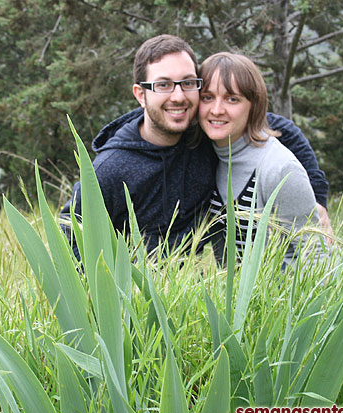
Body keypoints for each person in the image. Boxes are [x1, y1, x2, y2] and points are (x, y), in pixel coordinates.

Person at [61, 34, 329, 256]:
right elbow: (70, 231)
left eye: (187, 83)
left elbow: (279, 128)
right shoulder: (111, 168)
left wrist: (316, 198)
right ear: (141, 94)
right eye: (163, 85)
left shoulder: (203, 131)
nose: (178, 96)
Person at [198, 52, 323, 266]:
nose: (216, 110)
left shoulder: (280, 169)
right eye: (207, 97)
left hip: (279, 296)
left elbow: (315, 256)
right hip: (231, 297)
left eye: (232, 99)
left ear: (254, 105)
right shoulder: (204, 157)